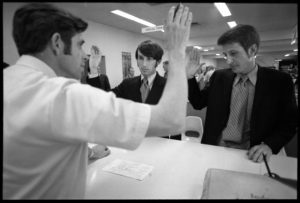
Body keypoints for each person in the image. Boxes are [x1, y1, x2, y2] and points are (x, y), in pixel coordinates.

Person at [3, 3, 192, 199]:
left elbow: (44, 152)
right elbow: (173, 119)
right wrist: (177, 50)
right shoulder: (64, 95)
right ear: (57, 43)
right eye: (79, 45)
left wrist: (91, 153)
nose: (84, 55)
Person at [186, 24, 297, 163]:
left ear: (252, 50)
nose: (228, 61)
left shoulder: (279, 81)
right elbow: (197, 103)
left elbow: (289, 123)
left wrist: (269, 145)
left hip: (252, 154)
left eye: (233, 53)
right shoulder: (219, 77)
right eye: (225, 55)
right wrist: (190, 77)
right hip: (215, 148)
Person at [111, 40, 181, 140]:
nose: (144, 64)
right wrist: (94, 72)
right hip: (131, 141)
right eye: (141, 58)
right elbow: (105, 98)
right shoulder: (127, 84)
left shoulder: (169, 87)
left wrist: (174, 147)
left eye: (149, 59)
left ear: (158, 61)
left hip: (157, 144)